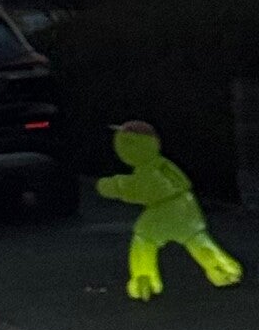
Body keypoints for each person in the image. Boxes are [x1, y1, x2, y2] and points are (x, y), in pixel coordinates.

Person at [96, 121, 243, 301]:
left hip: (164, 211)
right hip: (185, 207)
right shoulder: (163, 165)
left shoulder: (150, 170)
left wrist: (113, 186)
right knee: (197, 239)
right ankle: (223, 268)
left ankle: (144, 278)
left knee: (144, 240)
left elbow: (141, 190)